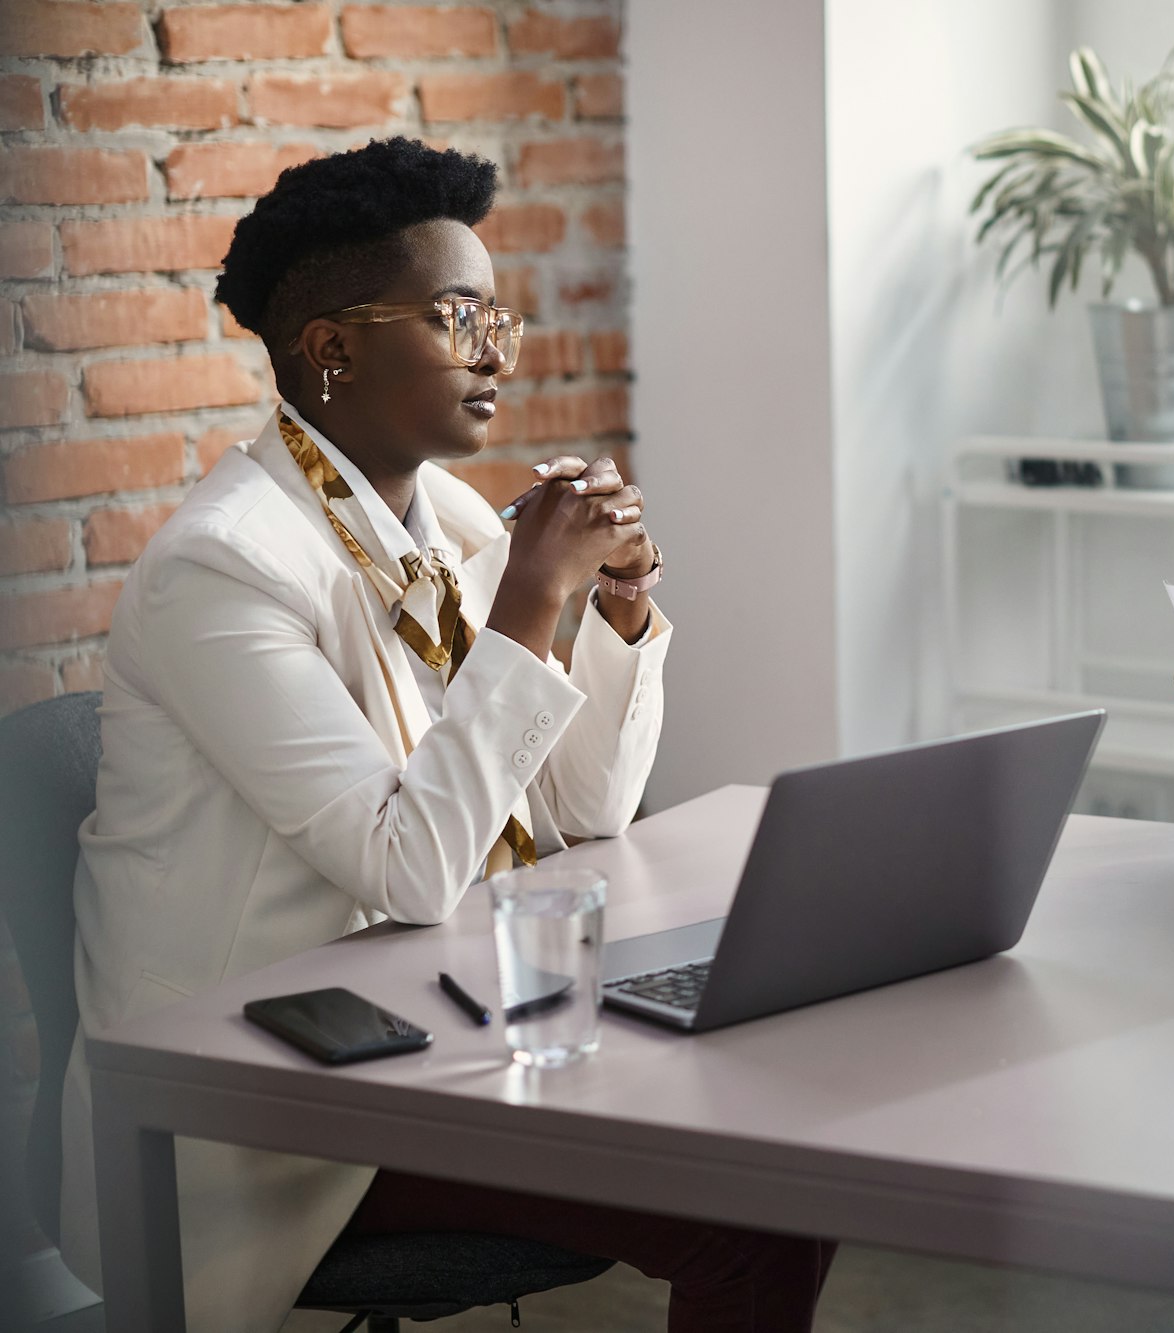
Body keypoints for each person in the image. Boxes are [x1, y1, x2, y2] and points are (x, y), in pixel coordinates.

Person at [58, 138, 832, 1331]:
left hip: (442, 1018)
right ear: (331, 349)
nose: (491, 351)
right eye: (452, 315)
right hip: (269, 1101)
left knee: (780, 1131)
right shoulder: (220, 569)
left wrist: (609, 610)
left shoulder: (455, 516)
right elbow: (409, 867)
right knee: (748, 1204)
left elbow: (583, 813)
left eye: (495, 317)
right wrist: (527, 602)